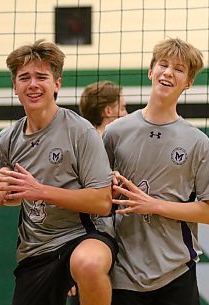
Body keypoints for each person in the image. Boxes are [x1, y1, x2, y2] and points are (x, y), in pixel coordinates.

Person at [103, 37, 209, 305]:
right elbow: (93, 197)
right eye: (163, 64)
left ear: (188, 82)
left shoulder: (197, 142)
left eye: (179, 69)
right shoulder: (115, 132)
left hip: (175, 272)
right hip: (121, 270)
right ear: (151, 71)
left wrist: (153, 205)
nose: (169, 72)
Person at [0, 39, 117, 305]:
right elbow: (15, 197)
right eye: (24, 77)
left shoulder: (80, 131)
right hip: (35, 247)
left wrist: (40, 191)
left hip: (84, 235)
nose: (33, 84)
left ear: (57, 84)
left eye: (42, 76)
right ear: (15, 86)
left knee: (88, 264)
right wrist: (1, 192)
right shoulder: (8, 138)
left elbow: (102, 201)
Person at [66, 80, 127, 305]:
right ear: (108, 111)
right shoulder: (91, 146)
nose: (126, 113)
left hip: (114, 248)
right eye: (123, 108)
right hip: (95, 244)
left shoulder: (116, 145)